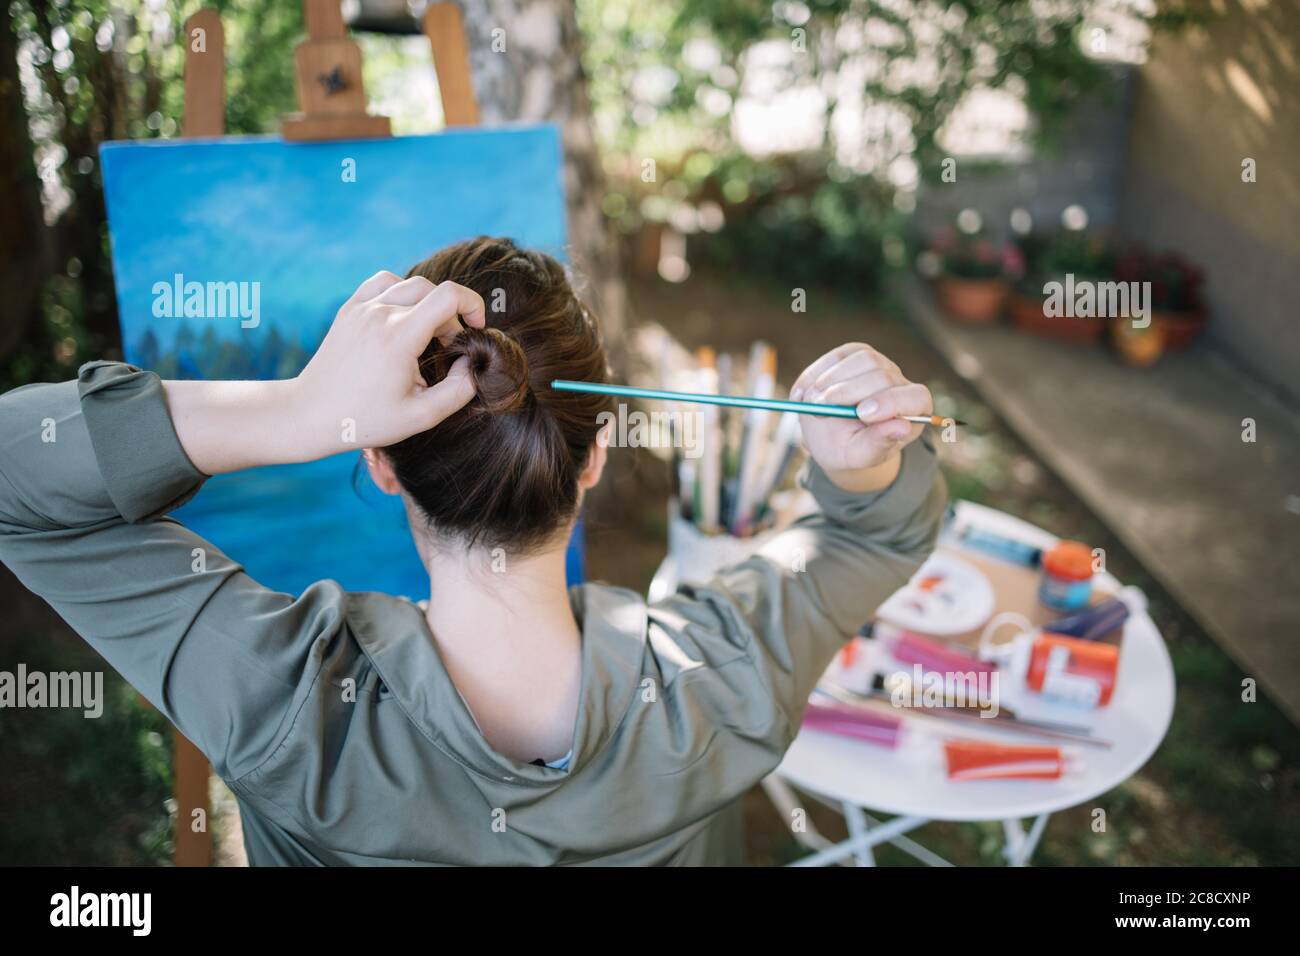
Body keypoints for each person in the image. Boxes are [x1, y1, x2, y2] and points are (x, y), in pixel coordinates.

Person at [0, 236, 946, 865]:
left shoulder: (283, 706)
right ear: (594, 460)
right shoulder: (728, 674)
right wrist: (860, 472)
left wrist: (295, 412)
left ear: (377, 460)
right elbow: (879, 529)